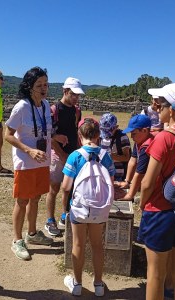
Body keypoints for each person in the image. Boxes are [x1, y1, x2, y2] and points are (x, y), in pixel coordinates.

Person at [140, 83, 175, 300]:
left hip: (160, 211)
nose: (157, 108)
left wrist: (142, 203)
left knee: (156, 274)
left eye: (161, 105)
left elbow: (148, 182)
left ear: (172, 109)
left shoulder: (164, 138)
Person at [61, 117, 115, 297]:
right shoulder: (105, 156)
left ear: (79, 135)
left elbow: (66, 187)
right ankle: (98, 284)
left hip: (79, 209)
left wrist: (65, 209)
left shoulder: (75, 156)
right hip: (99, 209)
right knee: (97, 245)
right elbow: (110, 182)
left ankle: (77, 284)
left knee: (78, 244)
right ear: (98, 135)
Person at [5, 67, 53, 261]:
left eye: (46, 84)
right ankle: (17, 240)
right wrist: (29, 150)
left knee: (36, 198)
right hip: (26, 161)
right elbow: (7, 135)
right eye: (39, 85)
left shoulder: (46, 105)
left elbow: (44, 131)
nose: (44, 88)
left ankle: (32, 234)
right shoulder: (22, 107)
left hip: (42, 160)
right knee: (23, 200)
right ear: (29, 87)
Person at [45, 77, 84, 236]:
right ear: (65, 91)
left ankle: (65, 214)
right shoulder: (54, 110)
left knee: (70, 188)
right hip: (57, 154)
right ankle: (49, 220)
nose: (76, 98)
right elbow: (48, 135)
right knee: (53, 188)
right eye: (73, 94)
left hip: (73, 153)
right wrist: (61, 154)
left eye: (78, 95)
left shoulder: (77, 110)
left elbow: (76, 131)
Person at [115, 114, 154, 201]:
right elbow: (133, 160)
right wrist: (127, 181)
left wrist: (129, 195)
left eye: (134, 134)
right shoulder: (139, 141)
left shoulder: (147, 146)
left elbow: (139, 174)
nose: (131, 137)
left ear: (144, 131)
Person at [99, 113, 131, 182]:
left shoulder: (122, 137)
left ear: (116, 127)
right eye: (104, 130)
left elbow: (126, 157)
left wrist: (110, 156)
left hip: (117, 176)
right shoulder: (100, 136)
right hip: (102, 174)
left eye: (109, 130)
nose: (106, 133)